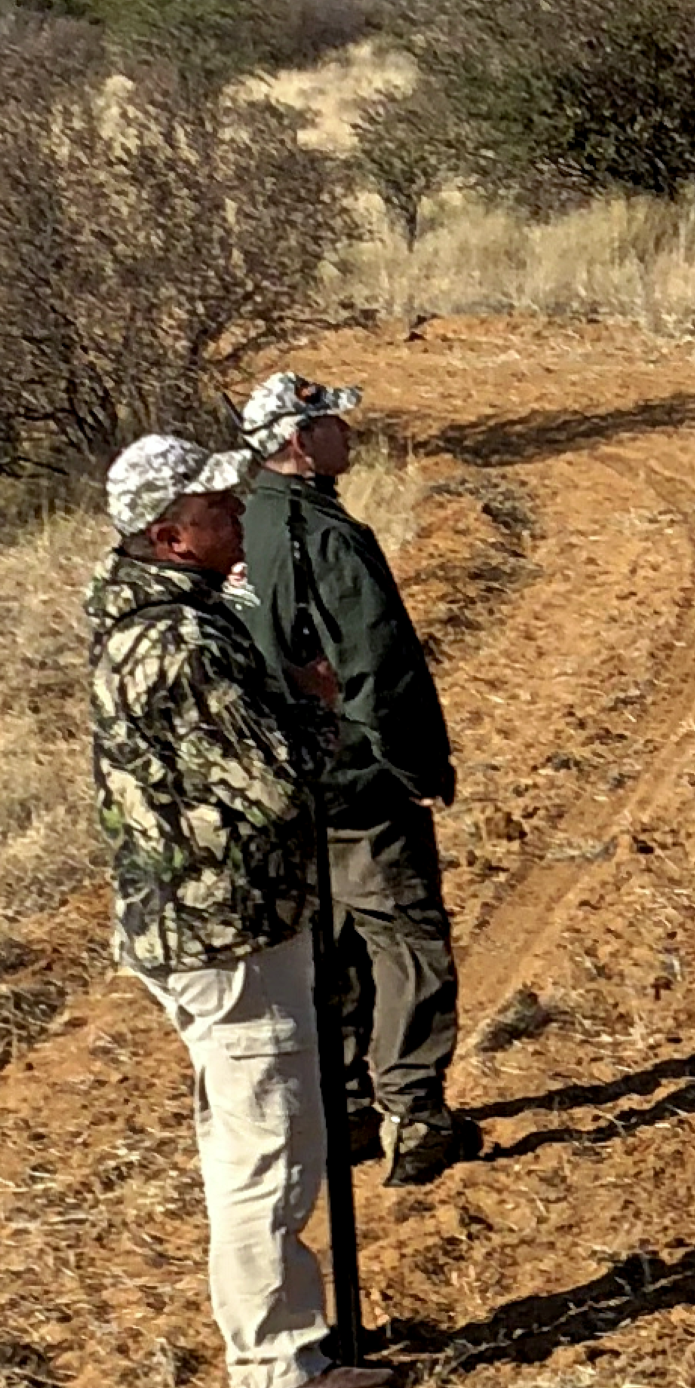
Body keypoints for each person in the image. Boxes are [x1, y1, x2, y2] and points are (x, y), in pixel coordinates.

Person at [86, 431, 395, 1388]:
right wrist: (318, 712)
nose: (238, 512)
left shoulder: (157, 616)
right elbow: (272, 786)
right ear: (172, 535)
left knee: (256, 1127)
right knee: (267, 1139)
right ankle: (275, 1360)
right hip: (229, 924)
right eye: (219, 505)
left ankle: (290, 1336)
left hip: (205, 919)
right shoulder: (182, 640)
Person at [236, 372, 476, 1189]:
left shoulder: (240, 525)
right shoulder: (328, 535)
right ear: (299, 443)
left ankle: (346, 1111)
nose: (348, 431)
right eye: (332, 421)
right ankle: (416, 1116)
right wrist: (414, 765)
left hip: (280, 779)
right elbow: (376, 663)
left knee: (327, 944)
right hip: (356, 775)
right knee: (403, 941)